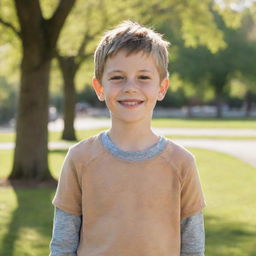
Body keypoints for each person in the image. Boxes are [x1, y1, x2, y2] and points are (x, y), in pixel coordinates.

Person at [49, 20, 206, 256]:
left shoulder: (181, 163)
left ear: (161, 87)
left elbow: (193, 247)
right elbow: (62, 245)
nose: (130, 87)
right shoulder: (80, 159)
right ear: (99, 87)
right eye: (117, 77)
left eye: (143, 77)